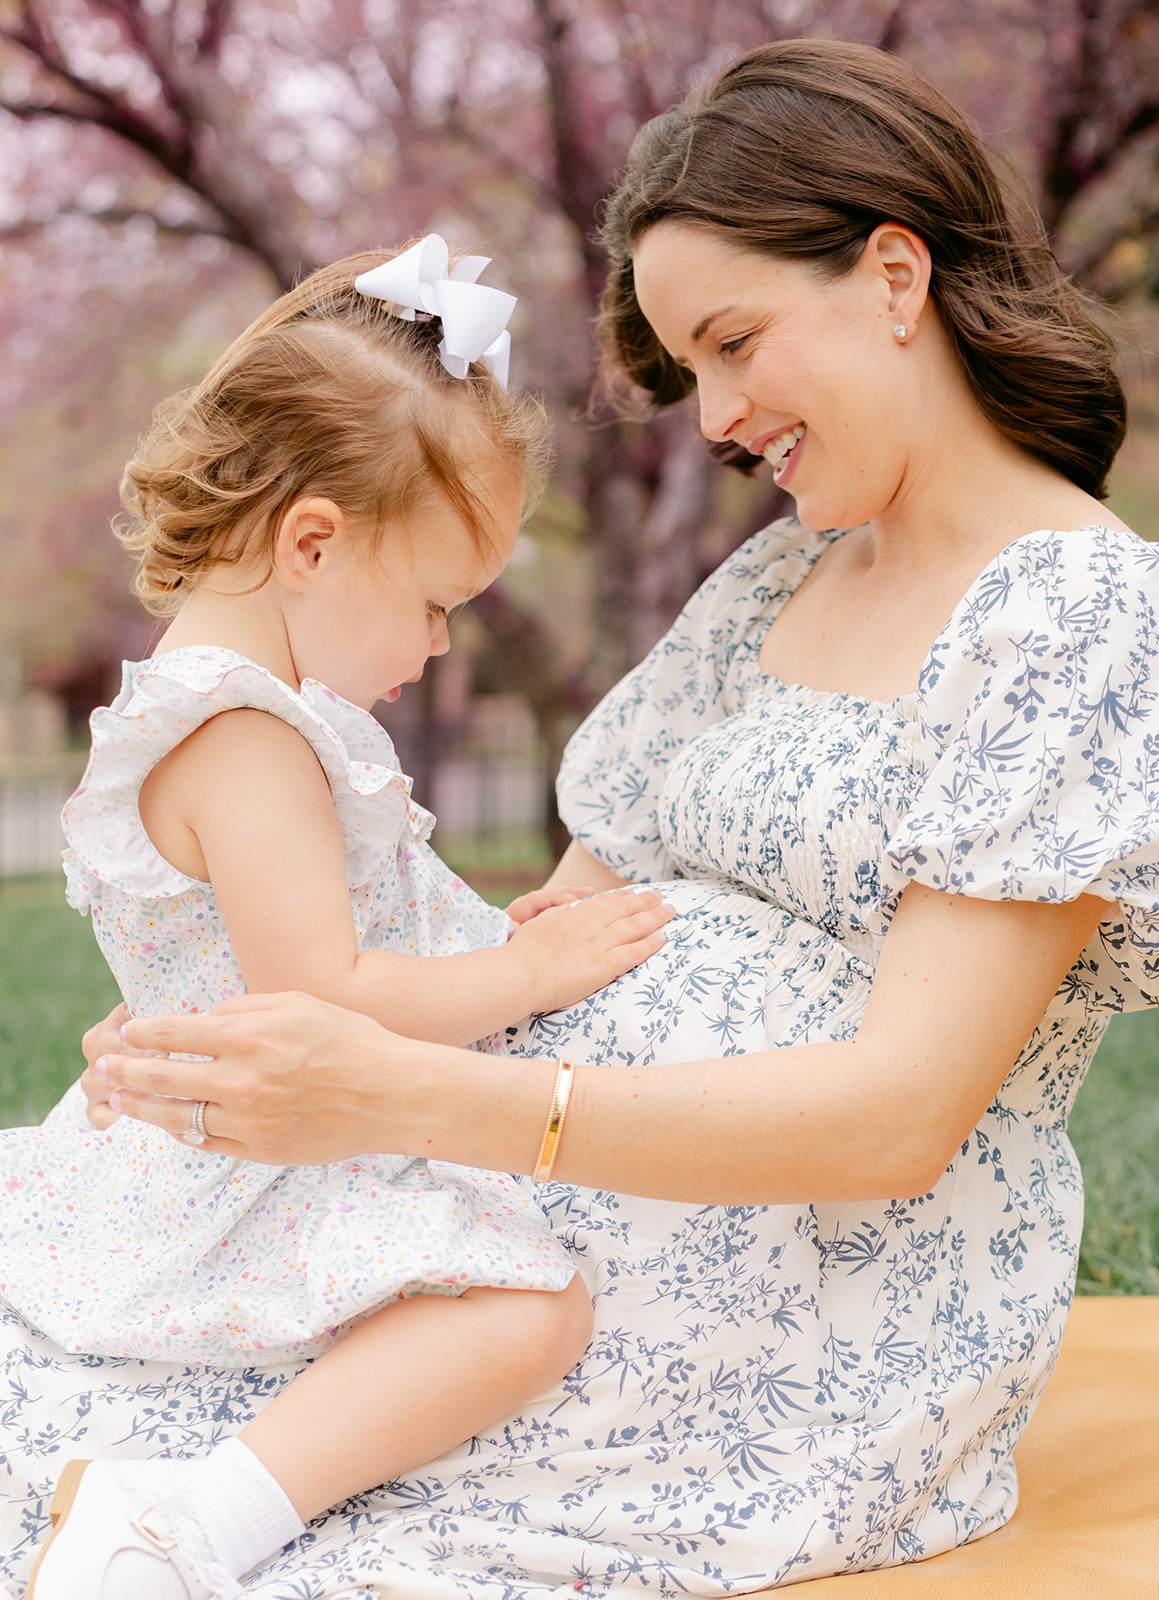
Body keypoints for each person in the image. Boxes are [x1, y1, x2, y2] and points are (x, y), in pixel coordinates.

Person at [4, 33, 1158, 1599]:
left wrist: (400, 1101)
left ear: (897, 277)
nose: (715, 416)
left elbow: (900, 1119)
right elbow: (537, 922)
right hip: (502, 1176)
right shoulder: (772, 580)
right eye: (694, 371)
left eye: (736, 342)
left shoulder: (1079, 615)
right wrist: (226, 1048)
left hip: (800, 1288)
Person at [4, 240, 674, 1600]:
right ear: (311, 541)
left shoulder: (242, 710)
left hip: (280, 1121)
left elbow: (340, 937)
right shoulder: (243, 733)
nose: (439, 648)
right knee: (525, 1318)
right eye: (436, 606)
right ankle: (193, 1522)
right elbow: (330, 991)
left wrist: (497, 935)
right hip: (273, 1151)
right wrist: (529, 969)